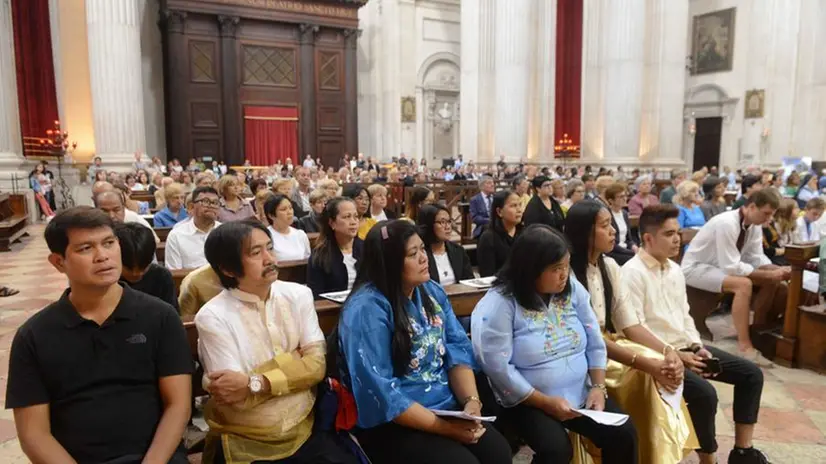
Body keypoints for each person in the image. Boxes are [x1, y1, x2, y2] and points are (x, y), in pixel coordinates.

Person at [7, 207, 191, 463]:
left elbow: (178, 405)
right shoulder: (34, 335)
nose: (102, 256)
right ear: (59, 262)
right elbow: (34, 434)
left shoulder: (160, 317)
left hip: (155, 457)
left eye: (108, 243)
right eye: (85, 248)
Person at [338, 220, 512, 464]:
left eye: (422, 249)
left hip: (446, 406)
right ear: (389, 263)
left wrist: (471, 403)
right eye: (413, 253)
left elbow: (456, 349)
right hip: (394, 420)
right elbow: (382, 391)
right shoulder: (367, 309)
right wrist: (447, 430)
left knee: (499, 454)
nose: (424, 258)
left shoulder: (430, 291)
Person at [472, 224, 638, 464]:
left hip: (581, 392)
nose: (564, 274)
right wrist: (545, 402)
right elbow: (498, 367)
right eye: (556, 268)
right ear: (531, 270)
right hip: (526, 399)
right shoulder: (500, 303)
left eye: (567, 265)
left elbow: (594, 338)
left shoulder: (570, 288)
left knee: (624, 432)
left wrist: (598, 388)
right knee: (556, 450)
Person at [196, 220, 359, 464]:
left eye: (270, 248)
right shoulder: (213, 317)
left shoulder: (298, 295)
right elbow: (235, 397)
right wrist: (294, 359)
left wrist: (256, 382)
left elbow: (317, 367)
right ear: (228, 269)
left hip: (307, 422)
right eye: (255, 253)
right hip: (246, 434)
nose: (269, 258)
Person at [622, 205, 770, 464]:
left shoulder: (675, 270)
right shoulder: (632, 273)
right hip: (659, 356)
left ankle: (743, 453)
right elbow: (634, 328)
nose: (677, 239)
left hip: (686, 348)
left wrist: (696, 345)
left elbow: (685, 316)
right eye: (669, 234)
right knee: (704, 394)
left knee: (751, 375)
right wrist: (676, 354)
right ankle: (708, 460)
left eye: (678, 232)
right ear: (648, 238)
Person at [565, 202, 696, 463]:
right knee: (648, 375)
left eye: (612, 224)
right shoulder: (567, 273)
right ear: (584, 233)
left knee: (661, 367)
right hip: (580, 350)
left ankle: (654, 453)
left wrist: (669, 352)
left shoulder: (610, 266)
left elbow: (631, 325)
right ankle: (645, 451)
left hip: (609, 343)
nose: (613, 231)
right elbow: (590, 338)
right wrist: (646, 363)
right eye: (604, 226)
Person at [680, 189, 788, 366]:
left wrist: (776, 269)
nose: (769, 219)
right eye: (766, 213)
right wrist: (767, 273)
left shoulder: (754, 225)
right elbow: (731, 266)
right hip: (696, 269)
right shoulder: (727, 223)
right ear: (752, 206)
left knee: (775, 281)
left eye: (771, 215)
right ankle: (745, 347)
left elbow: (755, 257)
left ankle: (756, 330)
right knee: (743, 284)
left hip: (718, 268)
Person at [307, 198, 362, 298]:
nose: (353, 222)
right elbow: (316, 295)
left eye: (356, 216)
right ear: (332, 223)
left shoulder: (367, 248)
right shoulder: (320, 256)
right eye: (347, 217)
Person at [115, 222, 178, 310]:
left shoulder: (161, 276)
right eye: (128, 268)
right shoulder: (107, 280)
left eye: (143, 267)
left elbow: (172, 313)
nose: (136, 273)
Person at [166, 186, 222, 270]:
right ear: (191, 207)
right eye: (205, 201)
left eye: (216, 202)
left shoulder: (225, 233)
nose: (212, 206)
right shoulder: (176, 235)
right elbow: (174, 274)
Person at [418, 204, 473, 286]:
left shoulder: (458, 250)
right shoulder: (420, 255)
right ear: (429, 225)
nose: (448, 227)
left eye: (449, 221)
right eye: (442, 222)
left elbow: (470, 281)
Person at [477, 190, 523, 277]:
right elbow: (487, 274)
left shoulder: (525, 234)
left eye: (520, 205)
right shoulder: (488, 237)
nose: (519, 210)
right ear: (499, 211)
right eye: (513, 206)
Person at [94, 189, 160, 243]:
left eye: (116, 210)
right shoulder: (91, 232)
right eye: (105, 211)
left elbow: (155, 241)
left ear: (123, 209)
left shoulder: (135, 220)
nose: (111, 216)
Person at [264, 194, 312, 262]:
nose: (289, 212)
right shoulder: (266, 235)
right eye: (283, 209)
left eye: (290, 208)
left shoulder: (300, 234)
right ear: (271, 215)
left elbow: (307, 260)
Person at [604, 183, 638, 265]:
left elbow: (628, 239)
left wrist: (634, 247)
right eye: (621, 197)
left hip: (625, 250)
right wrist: (631, 252)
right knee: (636, 261)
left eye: (625, 196)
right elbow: (612, 244)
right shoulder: (606, 214)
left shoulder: (624, 213)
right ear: (611, 200)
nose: (625, 199)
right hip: (613, 252)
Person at [763, 199, 798, 266]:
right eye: (796, 208)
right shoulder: (776, 225)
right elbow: (777, 246)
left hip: (784, 254)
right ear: (787, 211)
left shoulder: (793, 224)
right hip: (776, 257)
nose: (798, 210)